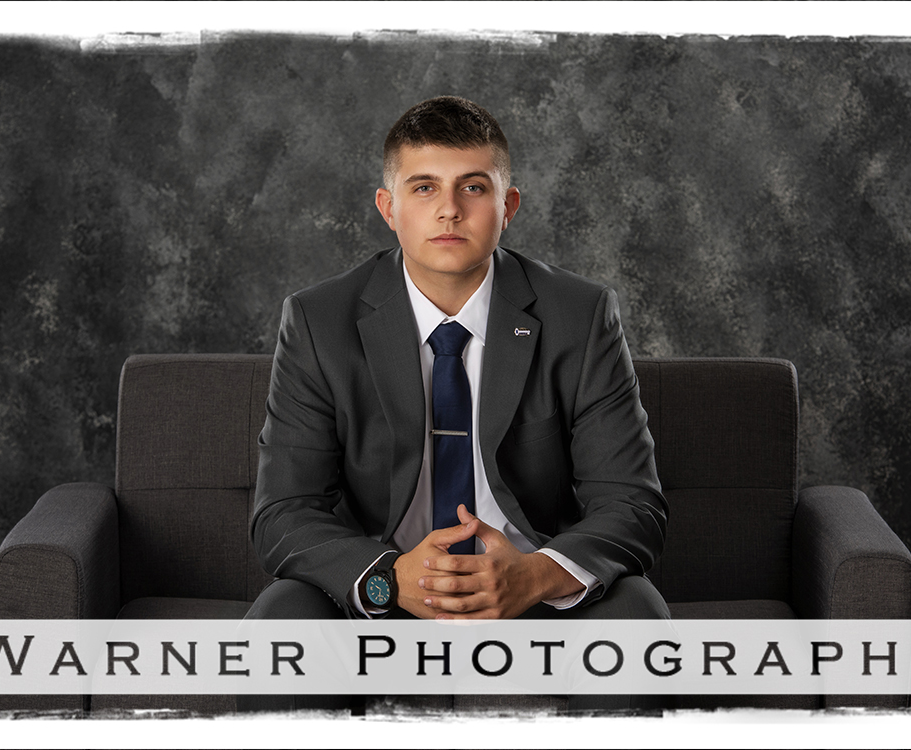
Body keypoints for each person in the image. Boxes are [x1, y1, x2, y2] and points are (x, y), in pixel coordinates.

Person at [245, 96, 669, 712]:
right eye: (423, 187)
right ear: (388, 208)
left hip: (532, 594)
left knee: (638, 614)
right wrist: (390, 576)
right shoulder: (318, 320)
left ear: (508, 206)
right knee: (282, 620)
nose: (449, 209)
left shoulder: (579, 316)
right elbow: (283, 511)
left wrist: (535, 574)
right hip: (383, 597)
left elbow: (633, 502)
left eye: (473, 186)